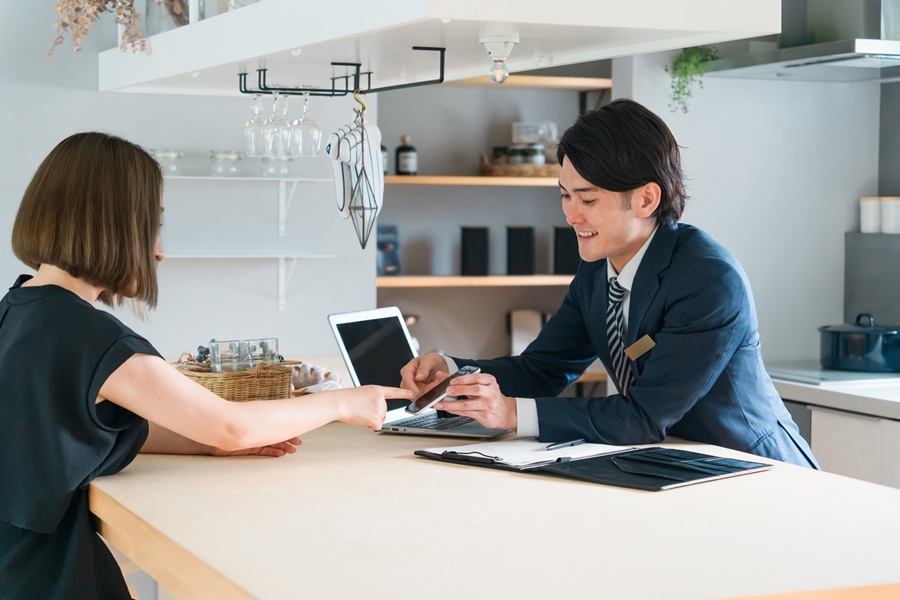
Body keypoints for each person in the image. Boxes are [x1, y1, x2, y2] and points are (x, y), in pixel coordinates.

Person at [0, 132, 416, 599]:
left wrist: (204, 446)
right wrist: (345, 403)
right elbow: (232, 425)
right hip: (46, 577)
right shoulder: (88, 336)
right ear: (112, 226)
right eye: (152, 227)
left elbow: (71, 425)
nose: (159, 251)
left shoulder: (20, 310)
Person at [401, 98, 818, 470]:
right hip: (675, 463)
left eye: (588, 199)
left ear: (646, 199)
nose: (571, 216)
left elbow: (642, 417)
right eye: (565, 196)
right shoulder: (598, 269)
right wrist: (453, 373)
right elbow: (542, 369)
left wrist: (511, 413)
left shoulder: (709, 280)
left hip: (755, 470)